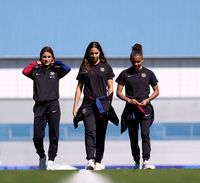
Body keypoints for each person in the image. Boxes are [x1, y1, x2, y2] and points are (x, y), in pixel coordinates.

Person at [22, 46, 71, 170]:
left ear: (52, 58)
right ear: (40, 58)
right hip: (39, 107)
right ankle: (42, 156)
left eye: (49, 57)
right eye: (44, 57)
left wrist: (57, 62)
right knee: (37, 136)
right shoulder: (36, 71)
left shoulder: (57, 70)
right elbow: (25, 71)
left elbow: (68, 68)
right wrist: (35, 63)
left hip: (53, 105)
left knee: (54, 134)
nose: (46, 59)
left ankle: (51, 160)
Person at [73, 41, 118, 170]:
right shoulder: (84, 67)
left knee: (100, 133)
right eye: (91, 53)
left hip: (102, 104)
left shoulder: (106, 67)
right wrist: (75, 106)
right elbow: (79, 88)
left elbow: (110, 87)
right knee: (89, 131)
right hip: (88, 104)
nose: (93, 55)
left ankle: (98, 160)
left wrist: (109, 104)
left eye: (96, 53)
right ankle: (90, 160)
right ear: (88, 53)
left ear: (100, 53)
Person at [116, 43, 159, 169]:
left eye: (138, 62)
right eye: (134, 62)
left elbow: (157, 91)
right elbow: (118, 92)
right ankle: (136, 161)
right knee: (133, 137)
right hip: (131, 111)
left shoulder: (149, 73)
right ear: (131, 60)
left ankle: (145, 161)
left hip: (145, 109)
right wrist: (129, 100)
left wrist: (148, 99)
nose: (136, 64)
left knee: (145, 134)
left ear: (142, 60)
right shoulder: (124, 74)